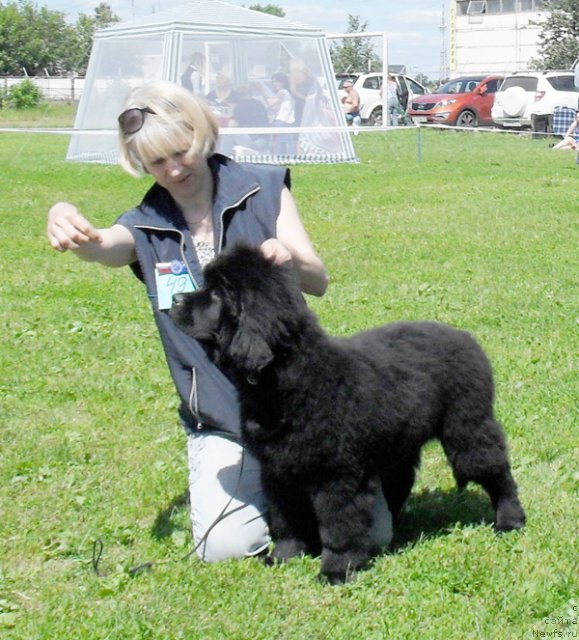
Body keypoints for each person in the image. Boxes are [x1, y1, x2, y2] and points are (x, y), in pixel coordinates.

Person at [47, 80, 394, 563]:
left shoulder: (263, 188)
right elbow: (101, 246)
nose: (173, 169)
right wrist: (64, 217)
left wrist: (289, 259)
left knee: (372, 534)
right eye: (156, 163)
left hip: (299, 406)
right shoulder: (146, 222)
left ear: (200, 133)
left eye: (179, 151)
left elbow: (318, 280)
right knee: (225, 548)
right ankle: (267, 496)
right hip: (221, 417)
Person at [266, 72, 296, 155]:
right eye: (273, 82)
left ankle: (280, 156)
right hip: (285, 121)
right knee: (285, 140)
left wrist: (262, 92)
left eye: (276, 81)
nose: (274, 84)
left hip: (282, 121)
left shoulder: (282, 92)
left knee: (279, 141)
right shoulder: (288, 94)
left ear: (282, 82)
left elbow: (271, 103)